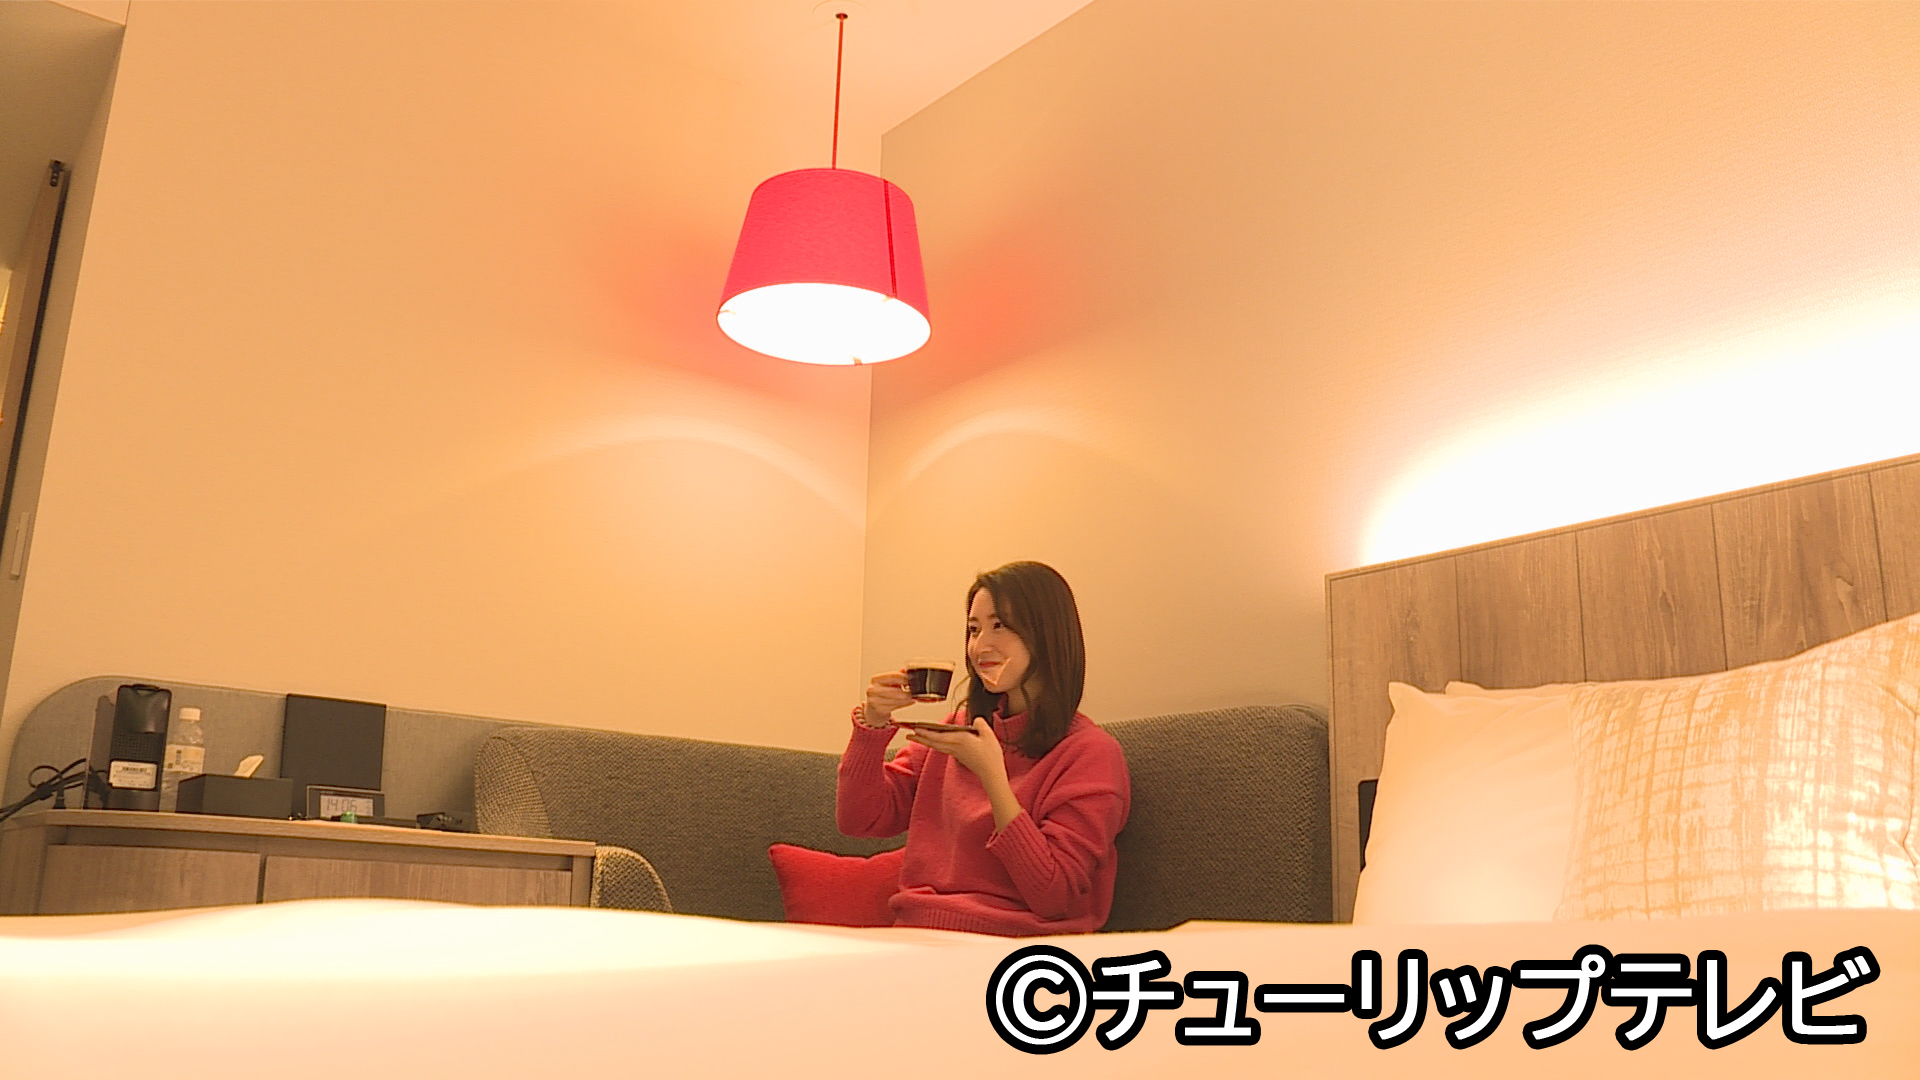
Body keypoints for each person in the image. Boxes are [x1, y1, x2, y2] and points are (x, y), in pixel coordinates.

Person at [837, 561, 1131, 935]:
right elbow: (859, 820)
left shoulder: (1090, 754)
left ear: (1046, 634)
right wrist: (873, 722)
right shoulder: (956, 730)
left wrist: (992, 777)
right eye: (974, 630)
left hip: (1013, 948)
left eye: (999, 626)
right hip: (917, 935)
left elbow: (1054, 894)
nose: (980, 646)